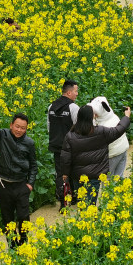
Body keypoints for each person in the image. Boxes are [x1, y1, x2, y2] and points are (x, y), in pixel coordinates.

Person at [0, 99, 37, 249]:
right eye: (17, 126)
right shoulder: (2, 135)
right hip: (4, 184)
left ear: (26, 129)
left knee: (24, 217)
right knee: (7, 218)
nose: (19, 130)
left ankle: (23, 242)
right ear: (11, 125)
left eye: (23, 128)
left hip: (21, 184)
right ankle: (12, 245)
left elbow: (33, 165)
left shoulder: (29, 143)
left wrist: (30, 184)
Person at [60, 105, 131, 206]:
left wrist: (65, 173)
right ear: (91, 117)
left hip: (77, 176)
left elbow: (65, 157)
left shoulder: (70, 136)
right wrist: (126, 117)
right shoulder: (100, 132)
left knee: (82, 203)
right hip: (94, 176)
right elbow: (118, 130)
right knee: (91, 203)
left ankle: (84, 219)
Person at [47, 80, 80, 210]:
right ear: (69, 92)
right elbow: (78, 128)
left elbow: (49, 127)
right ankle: (75, 196)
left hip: (56, 146)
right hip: (71, 146)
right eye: (76, 91)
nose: (77, 94)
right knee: (74, 171)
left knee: (60, 173)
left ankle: (63, 201)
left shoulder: (51, 107)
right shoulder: (73, 108)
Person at [88, 96, 129, 179]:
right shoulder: (114, 116)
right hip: (123, 150)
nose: (94, 115)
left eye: (95, 113)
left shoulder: (103, 126)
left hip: (112, 155)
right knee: (119, 178)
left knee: (107, 180)